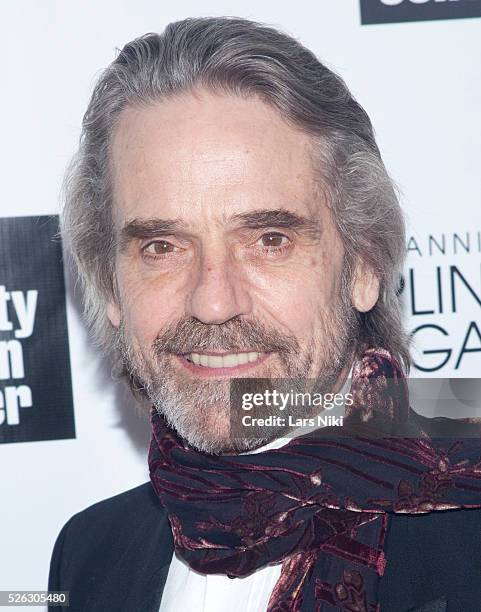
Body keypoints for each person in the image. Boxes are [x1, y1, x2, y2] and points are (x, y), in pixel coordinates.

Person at [48, 16, 481, 612]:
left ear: (362, 265)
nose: (214, 301)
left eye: (269, 239)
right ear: (112, 289)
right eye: (162, 247)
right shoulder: (88, 553)